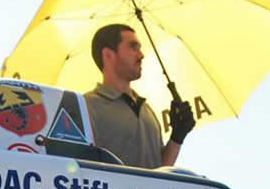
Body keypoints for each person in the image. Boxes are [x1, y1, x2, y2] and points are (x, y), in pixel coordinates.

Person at [80, 23, 195, 168]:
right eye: (133, 47)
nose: (141, 55)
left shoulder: (146, 109)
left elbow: (160, 169)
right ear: (108, 55)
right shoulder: (86, 107)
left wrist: (177, 137)